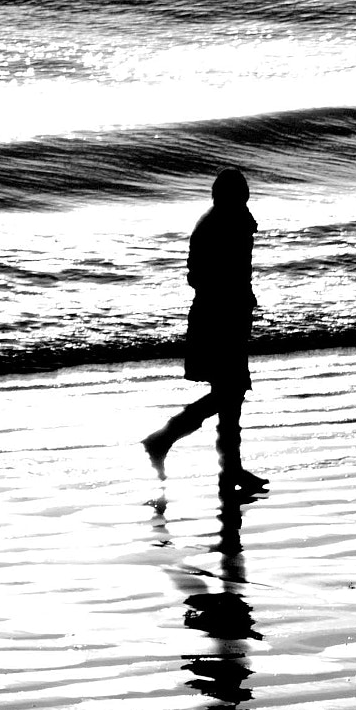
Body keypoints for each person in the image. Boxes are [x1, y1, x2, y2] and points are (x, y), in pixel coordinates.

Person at [142, 167, 268, 497]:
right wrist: (233, 300)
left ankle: (231, 470)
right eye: (241, 194)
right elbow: (201, 277)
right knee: (230, 392)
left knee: (231, 396)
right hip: (219, 319)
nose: (246, 199)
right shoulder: (222, 225)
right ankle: (164, 438)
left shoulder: (228, 221)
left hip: (224, 316)